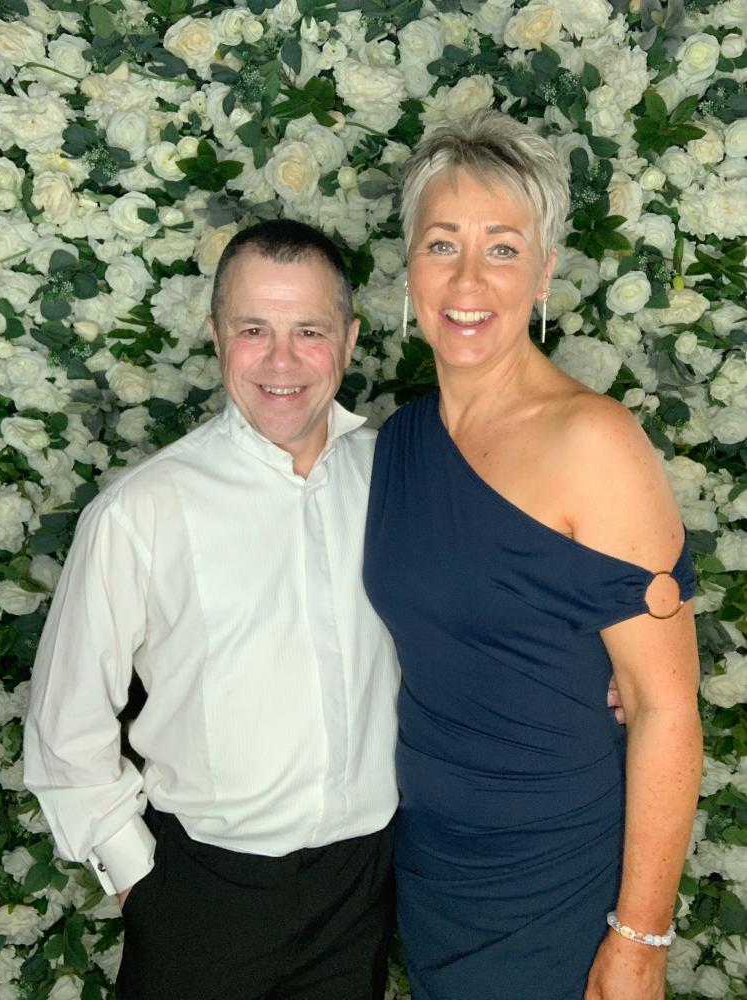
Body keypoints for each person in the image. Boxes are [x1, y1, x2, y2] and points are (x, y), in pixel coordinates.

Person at [363, 111, 703, 1000]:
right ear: (410, 265)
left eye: (503, 249)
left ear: (545, 272)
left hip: (559, 877)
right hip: (433, 866)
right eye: (443, 244)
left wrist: (640, 940)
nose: (468, 279)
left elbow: (666, 707)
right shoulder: (397, 444)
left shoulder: (595, 442)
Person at [23, 219, 400, 1000]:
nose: (281, 361)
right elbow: (66, 727)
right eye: (253, 329)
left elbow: (475, 620)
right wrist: (143, 886)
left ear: (350, 340)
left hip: (361, 890)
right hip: (201, 896)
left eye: (309, 331)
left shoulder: (398, 480)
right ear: (216, 334)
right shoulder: (142, 510)